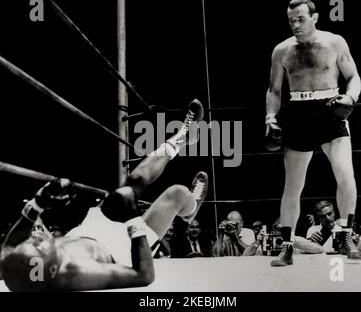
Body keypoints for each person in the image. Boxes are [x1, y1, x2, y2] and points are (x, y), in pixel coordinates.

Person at [0, 99, 209, 291]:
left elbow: (9, 246)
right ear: (55, 269)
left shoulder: (15, 266)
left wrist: (38, 202)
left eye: (31, 243)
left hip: (88, 231)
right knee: (178, 194)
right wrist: (133, 220)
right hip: (121, 249)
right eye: (40, 244)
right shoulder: (78, 274)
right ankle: (190, 211)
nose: (36, 238)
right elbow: (144, 276)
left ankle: (182, 137)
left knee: (132, 183)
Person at [265, 0, 361, 266]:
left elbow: (353, 76)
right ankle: (286, 245)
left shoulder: (334, 42)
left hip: (330, 106)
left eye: (300, 18)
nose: (295, 24)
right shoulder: (281, 51)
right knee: (293, 184)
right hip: (298, 110)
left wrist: (350, 99)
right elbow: (274, 90)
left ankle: (346, 233)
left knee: (345, 172)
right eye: (291, 20)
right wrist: (270, 118)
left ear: (314, 18)